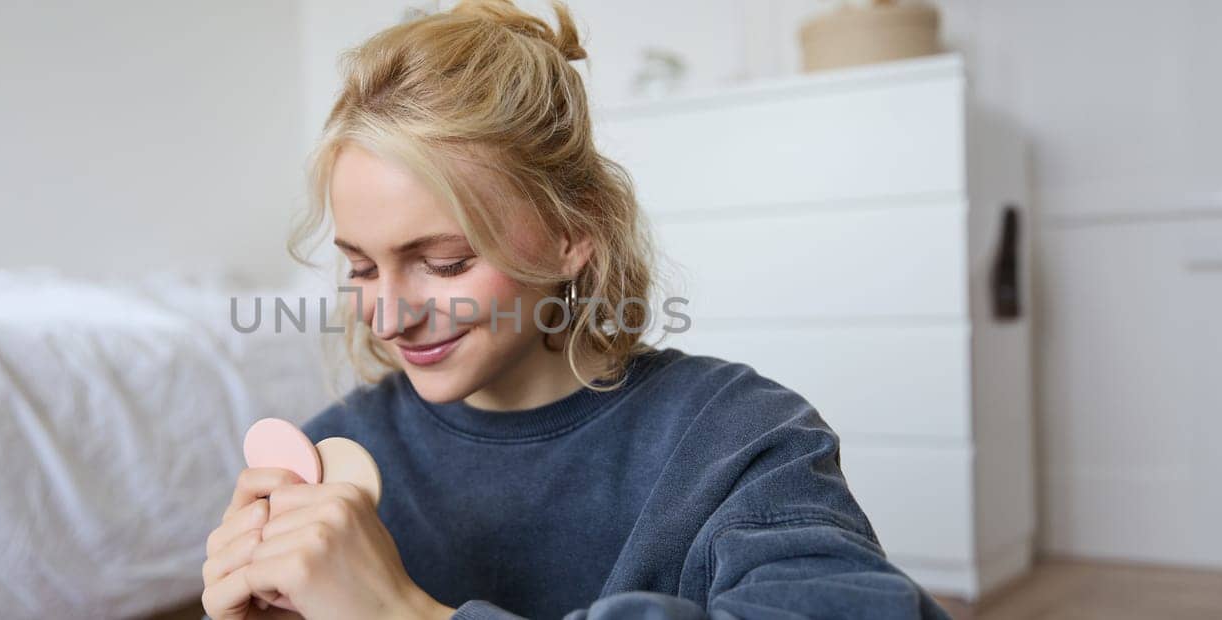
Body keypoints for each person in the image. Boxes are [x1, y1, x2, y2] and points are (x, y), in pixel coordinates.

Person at [201, 1, 950, 618]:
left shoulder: (736, 438)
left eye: (445, 263)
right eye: (361, 266)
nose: (388, 317)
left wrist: (405, 613)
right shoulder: (329, 460)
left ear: (572, 234)